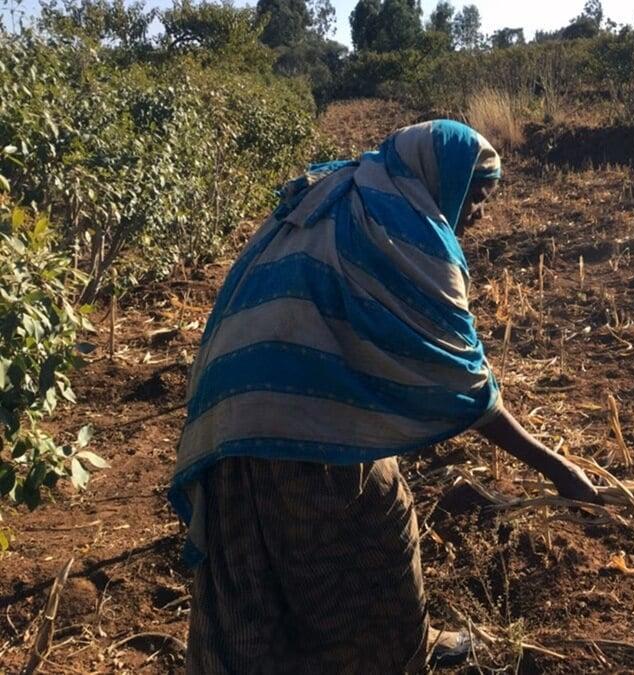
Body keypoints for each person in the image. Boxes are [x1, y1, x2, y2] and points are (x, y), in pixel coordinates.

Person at [169, 119, 600, 674]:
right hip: (299, 425)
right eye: (476, 196)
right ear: (442, 180)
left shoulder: (344, 192)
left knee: (248, 566)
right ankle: (391, 653)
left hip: (227, 411)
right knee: (369, 536)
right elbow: (462, 380)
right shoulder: (406, 227)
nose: (480, 214)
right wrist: (558, 469)